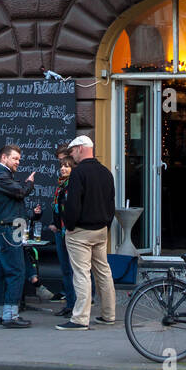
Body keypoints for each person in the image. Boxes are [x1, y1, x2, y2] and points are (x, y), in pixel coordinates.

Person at [56, 134, 116, 331]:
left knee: (81, 274)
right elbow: (111, 203)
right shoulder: (106, 172)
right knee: (103, 272)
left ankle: (80, 318)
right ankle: (108, 314)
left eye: (72, 151)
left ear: (81, 149)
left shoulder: (78, 173)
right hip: (100, 230)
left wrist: (70, 226)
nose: (71, 156)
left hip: (80, 231)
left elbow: (72, 205)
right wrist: (106, 224)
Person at [0, 143, 34, 328]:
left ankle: (0, 313)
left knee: (2, 271)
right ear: (3, 158)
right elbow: (20, 192)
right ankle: (11, 316)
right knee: (17, 271)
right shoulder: (0, 175)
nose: (18, 162)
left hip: (7, 227)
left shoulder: (0, 174)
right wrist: (29, 182)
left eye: (18, 159)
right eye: (14, 158)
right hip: (10, 228)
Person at [47, 153, 76, 317]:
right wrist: (55, 224)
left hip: (69, 232)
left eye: (67, 166)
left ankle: (74, 305)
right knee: (65, 270)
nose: (63, 169)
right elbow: (58, 210)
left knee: (72, 271)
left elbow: (69, 210)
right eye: (62, 166)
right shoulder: (60, 186)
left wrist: (62, 226)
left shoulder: (70, 186)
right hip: (60, 231)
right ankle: (69, 304)